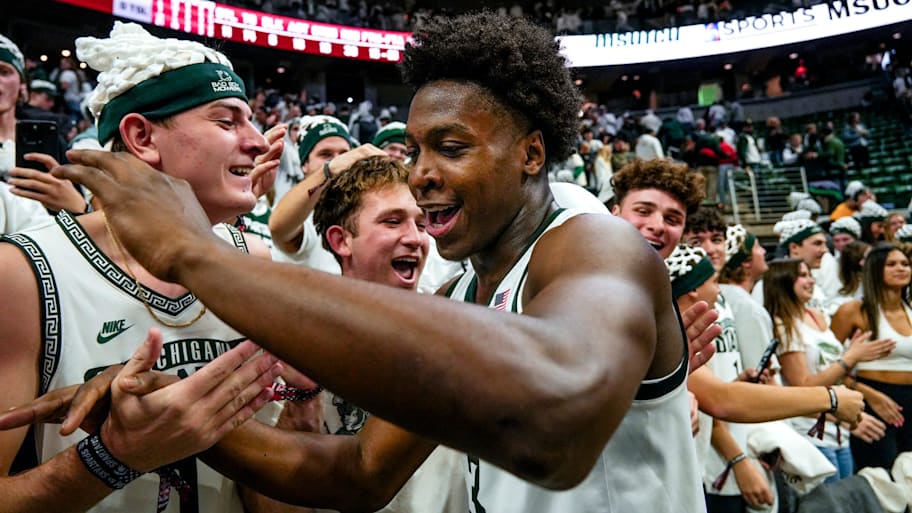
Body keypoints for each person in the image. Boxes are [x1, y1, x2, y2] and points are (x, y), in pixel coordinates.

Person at [57, 12, 718, 513]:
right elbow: (360, 471)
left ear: (532, 154)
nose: (422, 174)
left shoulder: (599, 241)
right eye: (417, 151)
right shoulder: (464, 289)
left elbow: (554, 432)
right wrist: (176, 420)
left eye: (451, 148)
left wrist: (191, 251)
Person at [0, 22, 287, 513]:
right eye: (227, 122)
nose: (259, 142)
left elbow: (272, 484)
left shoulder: (255, 261)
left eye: (251, 120)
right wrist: (111, 457)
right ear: (141, 136)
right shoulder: (23, 271)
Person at [764, 258, 893, 481]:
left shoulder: (816, 315)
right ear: (782, 281)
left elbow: (831, 368)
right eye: (802, 275)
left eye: (809, 274)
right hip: (812, 432)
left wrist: (852, 354)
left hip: (839, 432)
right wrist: (849, 358)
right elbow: (803, 387)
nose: (811, 281)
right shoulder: (783, 325)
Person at [831, 244, 912, 470]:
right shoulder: (853, 311)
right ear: (875, 269)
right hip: (872, 400)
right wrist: (869, 394)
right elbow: (826, 365)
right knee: (881, 477)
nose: (901, 269)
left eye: (905, 264)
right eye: (891, 264)